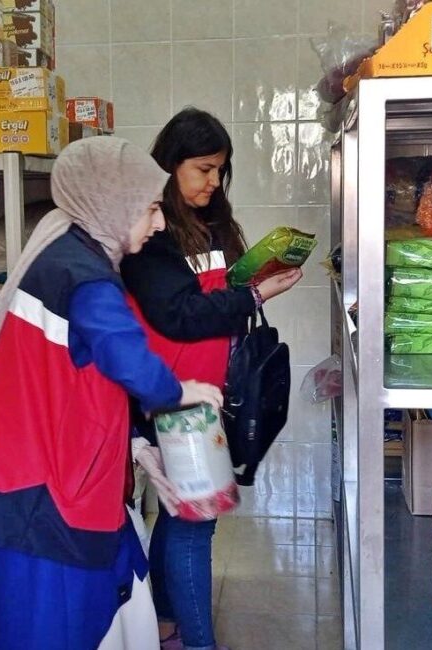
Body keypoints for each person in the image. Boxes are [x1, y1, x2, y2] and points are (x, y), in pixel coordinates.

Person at [0, 137, 222, 650]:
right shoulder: (84, 277)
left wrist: (135, 449)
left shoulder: (70, 258)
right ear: (113, 205)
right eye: (152, 209)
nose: (160, 223)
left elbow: (81, 384)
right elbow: (127, 359)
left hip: (53, 484)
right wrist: (183, 391)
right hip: (38, 501)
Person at [120, 108, 302, 650]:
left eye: (220, 170)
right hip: (172, 400)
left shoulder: (213, 223)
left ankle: (165, 621)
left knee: (179, 520)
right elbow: (177, 315)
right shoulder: (152, 235)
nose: (212, 181)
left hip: (208, 395)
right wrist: (254, 295)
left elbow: (217, 296)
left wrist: (257, 273)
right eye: (202, 169)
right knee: (196, 526)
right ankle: (198, 643)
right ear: (171, 167)